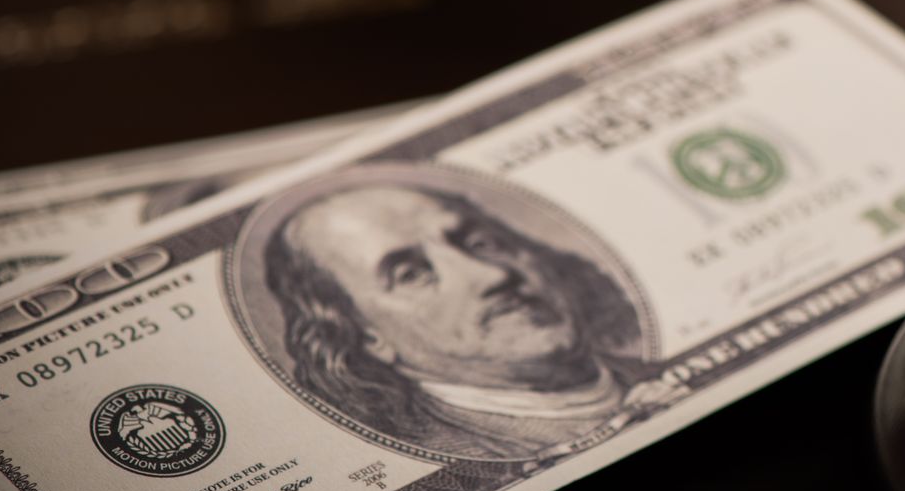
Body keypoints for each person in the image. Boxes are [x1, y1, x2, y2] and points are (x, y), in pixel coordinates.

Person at [264, 181, 675, 459]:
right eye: (411, 274)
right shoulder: (443, 447)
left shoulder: (661, 372)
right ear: (365, 336)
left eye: (481, 243)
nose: (493, 275)